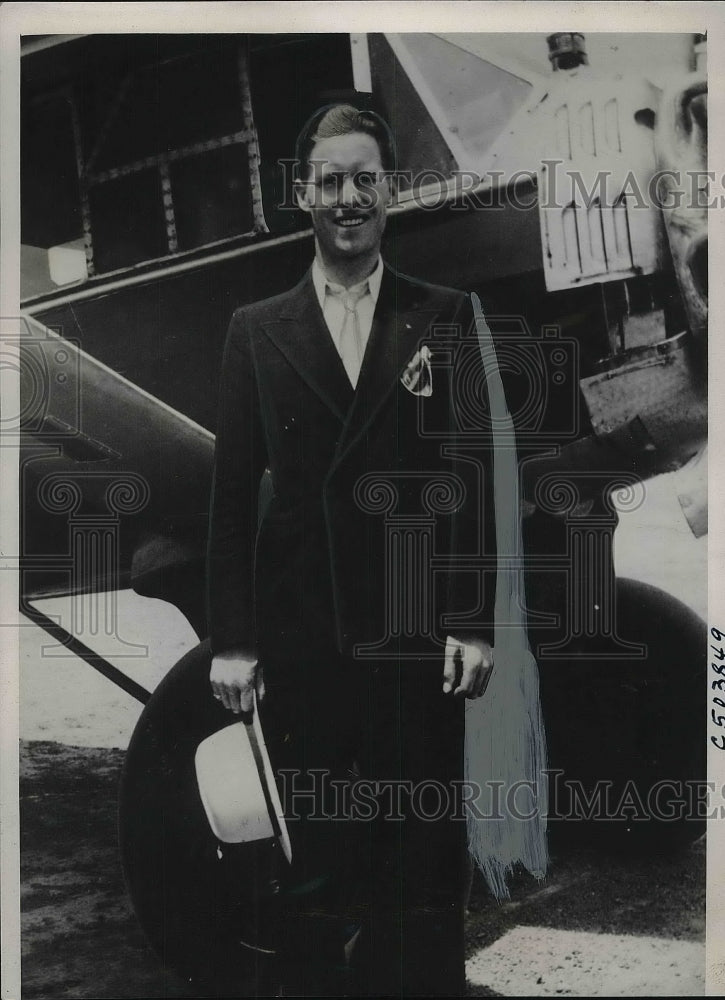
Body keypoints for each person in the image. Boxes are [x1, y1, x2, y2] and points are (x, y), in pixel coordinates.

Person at [206, 103, 496, 997]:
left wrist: (472, 622)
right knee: (318, 867)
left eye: (364, 179)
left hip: (413, 639)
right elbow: (229, 499)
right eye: (329, 181)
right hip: (303, 639)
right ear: (303, 196)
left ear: (391, 193)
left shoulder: (444, 317)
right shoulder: (255, 330)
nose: (347, 198)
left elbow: (470, 475)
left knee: (421, 855)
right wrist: (234, 639)